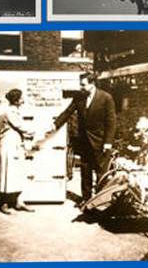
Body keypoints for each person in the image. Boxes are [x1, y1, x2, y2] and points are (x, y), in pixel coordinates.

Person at [53, 73, 117, 204]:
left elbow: (111, 122)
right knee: (85, 172)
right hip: (84, 142)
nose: (81, 87)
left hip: (100, 142)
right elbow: (67, 113)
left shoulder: (106, 98)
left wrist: (108, 142)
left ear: (92, 84)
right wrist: (55, 125)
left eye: (83, 84)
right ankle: (86, 200)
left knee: (101, 173)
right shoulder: (79, 97)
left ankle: (101, 201)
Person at [0, 89, 35, 214]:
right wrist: (34, 131)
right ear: (17, 100)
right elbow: (21, 126)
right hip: (7, 145)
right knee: (7, 173)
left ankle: (18, 201)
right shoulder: (9, 112)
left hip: (15, 144)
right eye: (22, 98)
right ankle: (4, 203)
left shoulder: (16, 111)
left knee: (18, 173)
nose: (23, 100)